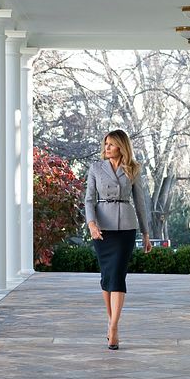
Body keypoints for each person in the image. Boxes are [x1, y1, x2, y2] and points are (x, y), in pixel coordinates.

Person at [84, 129, 152, 350]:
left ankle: (114, 326)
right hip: (102, 228)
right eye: (105, 144)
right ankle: (110, 319)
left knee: (118, 276)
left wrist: (146, 233)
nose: (107, 148)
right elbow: (89, 199)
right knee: (107, 276)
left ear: (121, 146)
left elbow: (140, 202)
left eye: (111, 144)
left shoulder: (133, 168)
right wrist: (92, 224)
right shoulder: (96, 168)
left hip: (125, 228)